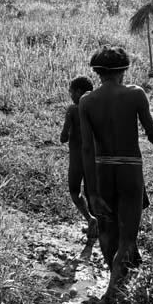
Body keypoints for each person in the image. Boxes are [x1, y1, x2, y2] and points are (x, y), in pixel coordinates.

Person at [78, 46, 153, 304]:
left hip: (102, 171)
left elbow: (87, 148)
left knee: (108, 234)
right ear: (124, 70)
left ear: (97, 72)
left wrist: (92, 191)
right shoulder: (135, 94)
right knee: (128, 239)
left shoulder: (86, 101)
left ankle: (117, 279)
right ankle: (111, 297)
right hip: (129, 171)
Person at [60, 76, 98, 239]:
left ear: (78, 92)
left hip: (77, 158)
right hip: (95, 157)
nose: (70, 95)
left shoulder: (73, 110)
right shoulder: (97, 108)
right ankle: (101, 226)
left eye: (71, 91)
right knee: (94, 192)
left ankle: (90, 220)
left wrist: (67, 133)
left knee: (75, 191)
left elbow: (63, 137)